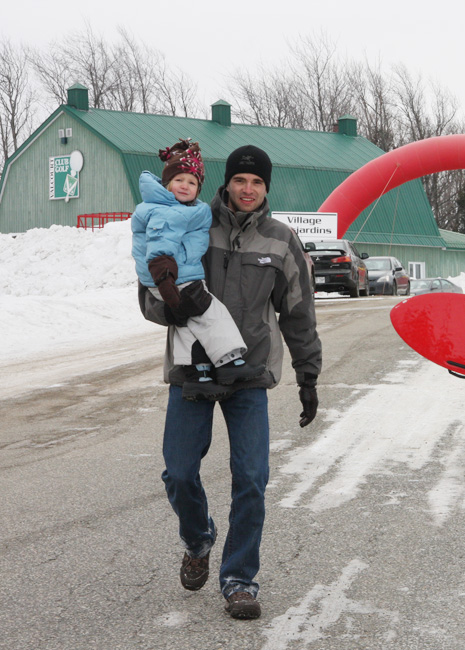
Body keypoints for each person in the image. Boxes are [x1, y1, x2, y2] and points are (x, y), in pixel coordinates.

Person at [139, 144, 322, 620]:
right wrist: (170, 306)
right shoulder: (194, 219)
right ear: (227, 183)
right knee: (178, 472)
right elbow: (148, 289)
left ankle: (239, 579)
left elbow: (298, 313)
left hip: (249, 374)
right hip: (192, 370)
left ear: (266, 188)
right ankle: (198, 538)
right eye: (240, 180)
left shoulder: (282, 241)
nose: (247, 189)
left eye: (257, 182)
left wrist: (308, 375)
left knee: (252, 480)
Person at [131, 139, 265, 401]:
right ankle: (229, 362)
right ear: (167, 185)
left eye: (192, 182)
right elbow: (160, 247)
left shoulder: (175, 209)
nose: (185, 186)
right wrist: (166, 282)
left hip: (171, 276)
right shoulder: (168, 211)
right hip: (171, 278)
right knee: (213, 315)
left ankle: (197, 372)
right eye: (179, 180)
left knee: (188, 323)